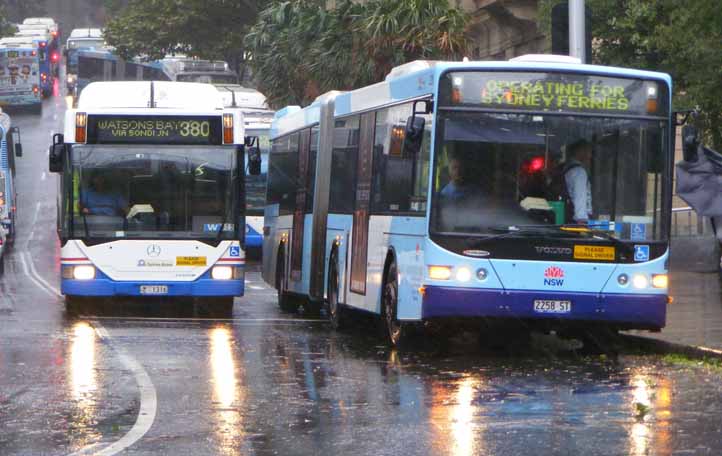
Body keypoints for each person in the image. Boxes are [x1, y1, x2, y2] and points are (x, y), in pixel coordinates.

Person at [563, 139, 593, 223]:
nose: (590, 156)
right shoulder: (579, 172)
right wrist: (582, 220)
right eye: (589, 152)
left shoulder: (568, 168)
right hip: (579, 221)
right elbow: (580, 196)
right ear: (580, 151)